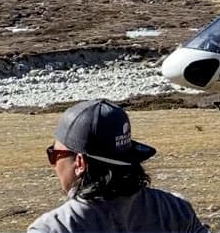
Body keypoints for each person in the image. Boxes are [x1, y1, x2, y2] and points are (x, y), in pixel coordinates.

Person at [29, 99, 208, 233]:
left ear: (80, 163)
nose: (53, 164)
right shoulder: (175, 210)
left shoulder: (54, 228)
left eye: (54, 154)